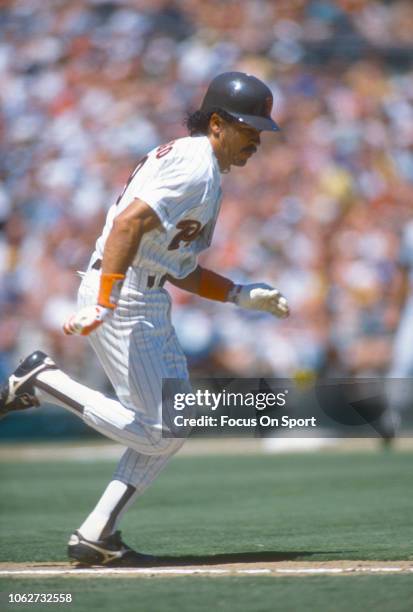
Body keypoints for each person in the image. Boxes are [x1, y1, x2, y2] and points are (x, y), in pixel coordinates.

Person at [0, 72, 289, 566]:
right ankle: (43, 380)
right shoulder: (195, 166)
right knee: (161, 431)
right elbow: (128, 224)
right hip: (125, 295)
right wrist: (106, 300)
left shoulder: (202, 167)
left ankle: (96, 535)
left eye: (261, 131)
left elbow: (180, 269)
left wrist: (241, 294)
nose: (257, 141)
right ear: (217, 123)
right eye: (249, 128)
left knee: (173, 426)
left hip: (146, 296)